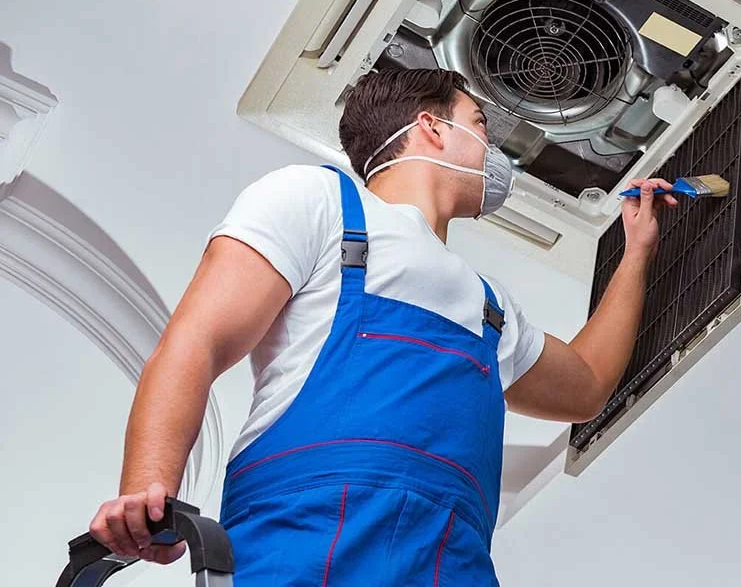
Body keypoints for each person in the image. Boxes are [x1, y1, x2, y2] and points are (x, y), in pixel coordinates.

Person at [87, 68, 677, 584]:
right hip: (306, 535)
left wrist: (636, 252)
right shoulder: (320, 199)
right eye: (480, 123)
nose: (494, 154)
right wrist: (149, 490)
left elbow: (588, 384)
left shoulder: (493, 307)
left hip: (453, 558)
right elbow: (198, 340)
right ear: (433, 127)